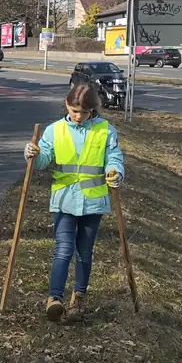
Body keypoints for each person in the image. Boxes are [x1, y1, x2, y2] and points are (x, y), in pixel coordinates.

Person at [24, 84, 125, 323]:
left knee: (84, 251)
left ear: (93, 110)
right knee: (63, 249)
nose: (78, 116)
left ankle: (79, 296)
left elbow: (114, 156)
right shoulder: (54, 130)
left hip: (93, 201)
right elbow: (44, 160)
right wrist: (34, 154)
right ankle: (54, 299)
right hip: (64, 200)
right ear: (66, 105)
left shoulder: (105, 130)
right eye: (74, 110)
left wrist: (115, 171)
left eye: (84, 112)